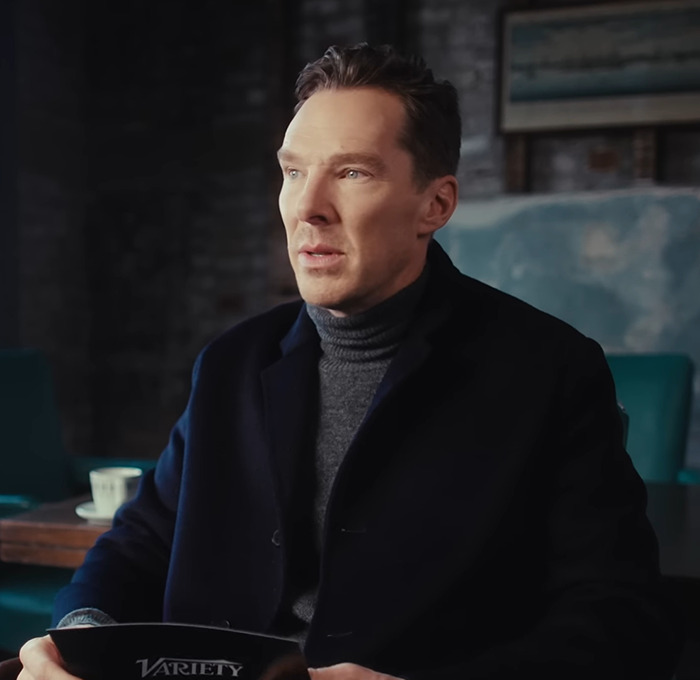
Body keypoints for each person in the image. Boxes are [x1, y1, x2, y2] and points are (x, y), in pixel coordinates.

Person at [18, 43, 680, 680]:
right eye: (294, 171)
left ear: (436, 204)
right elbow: (140, 544)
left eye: (352, 172)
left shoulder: (550, 369)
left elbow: (620, 621)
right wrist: (81, 639)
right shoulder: (231, 364)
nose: (308, 208)